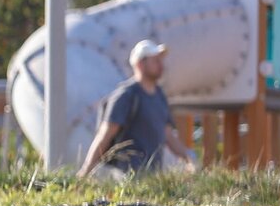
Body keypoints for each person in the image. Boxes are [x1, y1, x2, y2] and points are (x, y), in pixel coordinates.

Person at [80, 39, 197, 176]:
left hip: (151, 177)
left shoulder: (160, 96)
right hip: (125, 177)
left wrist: (189, 157)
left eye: (161, 60)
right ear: (140, 64)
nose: (161, 65)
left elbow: (168, 136)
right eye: (155, 60)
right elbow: (105, 135)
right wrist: (85, 172)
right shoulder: (126, 95)